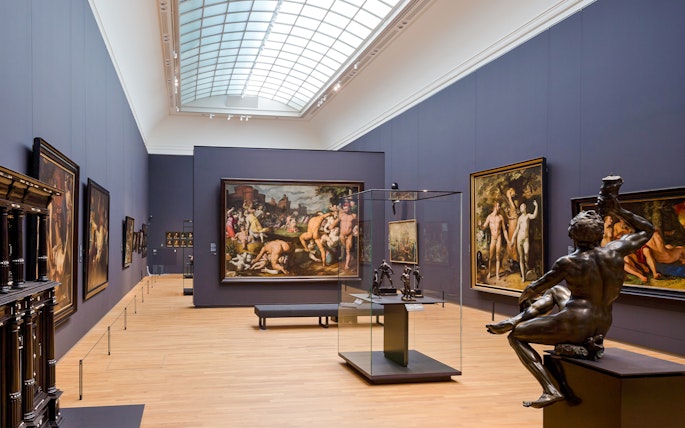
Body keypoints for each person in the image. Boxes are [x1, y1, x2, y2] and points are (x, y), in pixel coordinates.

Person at [486, 176, 654, 409]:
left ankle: (549, 389)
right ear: (599, 234)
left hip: (575, 324)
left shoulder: (568, 262)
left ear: (572, 235)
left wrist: (524, 301)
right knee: (557, 291)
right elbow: (647, 229)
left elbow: (534, 288)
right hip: (602, 322)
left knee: (516, 337)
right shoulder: (615, 251)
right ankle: (520, 323)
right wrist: (618, 210)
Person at [509, 200, 538, 281]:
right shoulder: (520, 218)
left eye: (522, 206)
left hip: (526, 238)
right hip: (519, 238)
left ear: (525, 208)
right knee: (521, 257)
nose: (521, 207)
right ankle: (524, 277)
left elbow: (534, 215)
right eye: (521, 206)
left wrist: (536, 206)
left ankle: (526, 265)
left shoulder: (528, 216)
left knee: (526, 253)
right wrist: (512, 239)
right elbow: (516, 229)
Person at [481, 201, 510, 281]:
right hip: (493, 238)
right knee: (491, 257)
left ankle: (497, 274)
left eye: (499, 206)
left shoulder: (500, 217)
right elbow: (484, 226)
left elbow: (504, 230)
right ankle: (489, 272)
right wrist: (480, 225)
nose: (499, 207)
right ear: (495, 207)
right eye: (498, 206)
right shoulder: (489, 217)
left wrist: (507, 240)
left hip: (499, 237)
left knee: (497, 256)